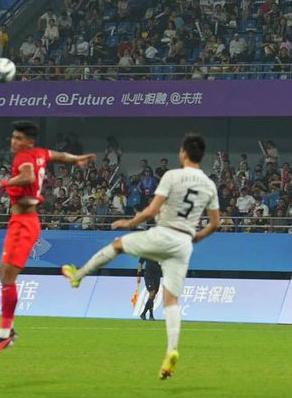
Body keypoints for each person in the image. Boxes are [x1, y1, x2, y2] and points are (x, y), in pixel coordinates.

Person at [62, 133, 220, 379]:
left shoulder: (172, 176)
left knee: (117, 244)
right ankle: (172, 350)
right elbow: (215, 223)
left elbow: (153, 209)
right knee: (171, 301)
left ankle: (78, 275)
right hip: (183, 243)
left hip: (164, 233)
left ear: (184, 153)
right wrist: (196, 237)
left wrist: (130, 221)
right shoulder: (209, 184)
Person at [0, 121, 95, 357]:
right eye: (13, 138)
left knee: (7, 276)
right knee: (5, 274)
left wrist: (0, 183)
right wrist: (76, 159)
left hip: (23, 223)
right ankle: (7, 330)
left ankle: (5, 334)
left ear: (28, 142)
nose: (14, 142)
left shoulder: (23, 158)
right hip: (22, 221)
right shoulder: (40, 152)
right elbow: (59, 155)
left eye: (18, 138)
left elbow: (27, 175)